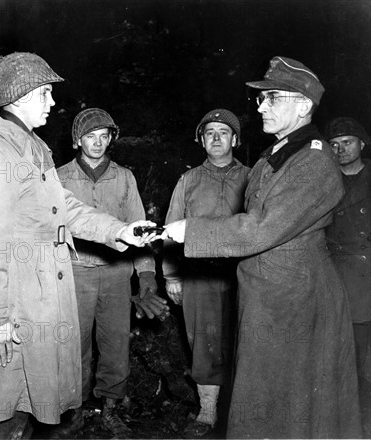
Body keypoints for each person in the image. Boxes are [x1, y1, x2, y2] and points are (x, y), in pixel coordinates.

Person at [0, 52, 157, 439]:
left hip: (37, 300)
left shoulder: (32, 149)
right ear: (19, 97)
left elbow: (65, 208)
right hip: (12, 307)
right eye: (45, 93)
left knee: (23, 409)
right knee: (1, 413)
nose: (53, 102)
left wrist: (119, 231)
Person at [162, 56, 362, 438]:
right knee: (269, 399)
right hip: (272, 297)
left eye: (273, 98)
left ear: (304, 106)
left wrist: (192, 230)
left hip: (295, 300)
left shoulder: (314, 163)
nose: (262, 106)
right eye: (261, 99)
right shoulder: (278, 154)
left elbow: (262, 228)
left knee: (294, 403)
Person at [56, 108, 169, 438]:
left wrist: (146, 276)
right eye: (90, 137)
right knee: (73, 345)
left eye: (104, 136)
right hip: (75, 272)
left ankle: (110, 408)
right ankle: (73, 410)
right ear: (78, 140)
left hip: (117, 273)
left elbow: (140, 228)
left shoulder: (124, 177)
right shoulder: (58, 177)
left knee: (115, 343)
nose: (97, 143)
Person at [162, 109, 249, 435]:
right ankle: (208, 412)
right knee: (204, 343)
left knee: (246, 340)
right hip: (199, 276)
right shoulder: (189, 180)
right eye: (209, 132)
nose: (216, 138)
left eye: (223, 132)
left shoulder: (253, 177)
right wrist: (172, 276)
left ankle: (245, 412)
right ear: (201, 140)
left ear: (235, 140)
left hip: (243, 275)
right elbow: (170, 230)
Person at [324, 116, 371, 435]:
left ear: (362, 144)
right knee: (351, 352)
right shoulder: (326, 182)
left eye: (348, 142)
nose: (341, 149)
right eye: (335, 145)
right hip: (342, 276)